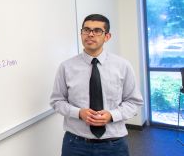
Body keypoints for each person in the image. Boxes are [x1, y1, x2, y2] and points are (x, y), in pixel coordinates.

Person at [50, 14, 143, 156]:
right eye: (86, 30)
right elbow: (57, 101)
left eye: (97, 31)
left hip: (114, 144)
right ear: (81, 34)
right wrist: (79, 113)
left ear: (107, 36)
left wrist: (112, 115)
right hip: (75, 144)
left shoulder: (123, 66)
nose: (90, 34)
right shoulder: (66, 67)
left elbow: (134, 102)